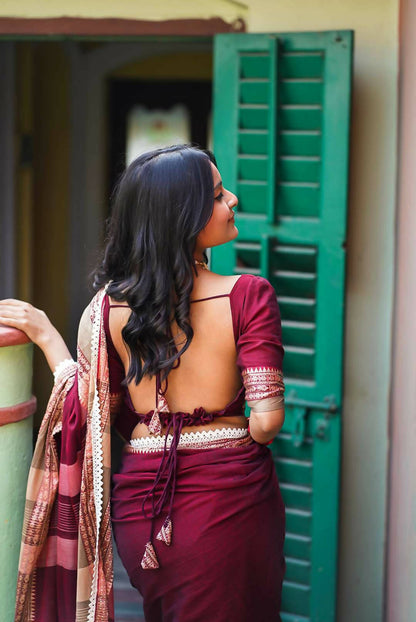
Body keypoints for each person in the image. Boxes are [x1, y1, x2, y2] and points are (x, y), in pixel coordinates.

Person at [0, 144, 286, 622]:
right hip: (229, 507)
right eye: (217, 196)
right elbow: (266, 423)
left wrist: (49, 338)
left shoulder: (105, 311)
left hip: (144, 514)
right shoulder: (248, 296)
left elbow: (91, 411)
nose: (233, 199)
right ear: (183, 217)